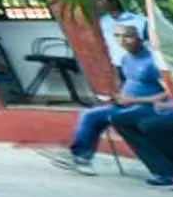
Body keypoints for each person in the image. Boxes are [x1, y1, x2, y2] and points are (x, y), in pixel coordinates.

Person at [55, 23, 165, 172]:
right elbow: (129, 83)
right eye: (118, 36)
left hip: (149, 107)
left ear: (140, 38)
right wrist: (118, 97)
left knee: (119, 118)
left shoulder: (154, 61)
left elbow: (169, 93)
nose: (122, 41)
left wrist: (134, 100)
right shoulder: (126, 59)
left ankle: (163, 170)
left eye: (128, 36)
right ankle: (81, 158)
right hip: (125, 104)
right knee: (90, 115)